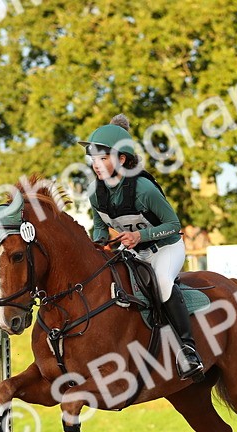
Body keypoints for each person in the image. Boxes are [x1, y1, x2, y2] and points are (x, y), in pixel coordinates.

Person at [80, 114, 203, 380]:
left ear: (122, 159)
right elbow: (100, 228)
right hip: (133, 252)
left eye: (104, 158)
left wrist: (141, 236)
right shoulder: (94, 192)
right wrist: (98, 247)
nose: (97, 165)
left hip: (165, 248)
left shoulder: (143, 188)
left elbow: (174, 224)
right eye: (94, 159)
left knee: (161, 282)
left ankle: (188, 350)